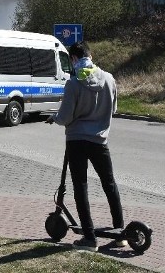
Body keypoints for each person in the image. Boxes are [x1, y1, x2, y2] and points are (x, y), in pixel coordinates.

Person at [46, 41, 125, 252]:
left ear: (73, 59)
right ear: (90, 55)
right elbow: (114, 109)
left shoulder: (73, 83)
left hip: (77, 141)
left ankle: (89, 238)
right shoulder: (109, 79)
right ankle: (120, 233)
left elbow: (65, 117)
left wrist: (54, 118)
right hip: (100, 141)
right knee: (109, 183)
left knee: (80, 186)